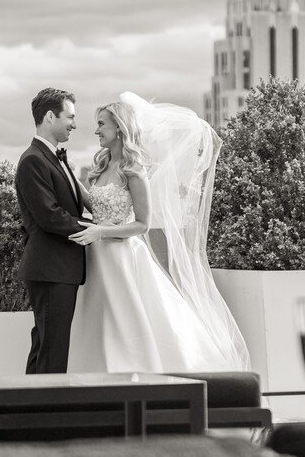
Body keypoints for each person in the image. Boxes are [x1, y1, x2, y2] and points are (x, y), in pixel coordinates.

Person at [66, 92, 250, 373]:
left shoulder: (134, 171)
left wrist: (100, 233)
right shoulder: (102, 166)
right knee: (98, 322)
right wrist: (68, 176)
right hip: (96, 257)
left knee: (130, 324)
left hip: (121, 256)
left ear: (119, 128)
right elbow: (98, 204)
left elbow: (142, 223)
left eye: (102, 123)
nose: (97, 130)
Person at [14, 87, 88, 374]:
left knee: (46, 347)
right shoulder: (34, 159)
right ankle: (45, 413)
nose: (74, 123)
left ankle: (30, 413)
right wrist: (95, 230)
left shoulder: (52, 157)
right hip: (50, 269)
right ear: (49, 116)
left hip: (58, 269)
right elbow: (49, 216)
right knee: (52, 351)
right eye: (69, 116)